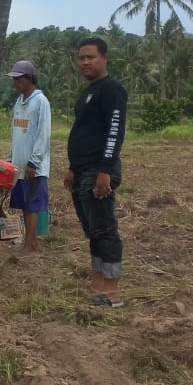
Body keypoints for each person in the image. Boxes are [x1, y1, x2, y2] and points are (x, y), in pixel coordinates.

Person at [64, 37, 127, 306]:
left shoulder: (112, 90)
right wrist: (72, 168)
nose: (85, 62)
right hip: (81, 170)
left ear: (104, 58)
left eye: (91, 57)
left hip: (97, 170)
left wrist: (105, 170)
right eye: (81, 58)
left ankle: (111, 291)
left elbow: (114, 132)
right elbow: (85, 132)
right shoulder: (89, 92)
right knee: (92, 229)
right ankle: (98, 281)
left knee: (104, 228)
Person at [5, 59, 50, 253]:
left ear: (29, 79)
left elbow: (43, 134)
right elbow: (16, 133)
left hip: (33, 166)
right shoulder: (19, 102)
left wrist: (34, 162)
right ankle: (31, 242)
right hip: (19, 164)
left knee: (33, 205)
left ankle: (29, 244)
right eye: (14, 79)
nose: (15, 83)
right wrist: (11, 158)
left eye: (19, 79)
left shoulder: (40, 102)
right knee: (24, 204)